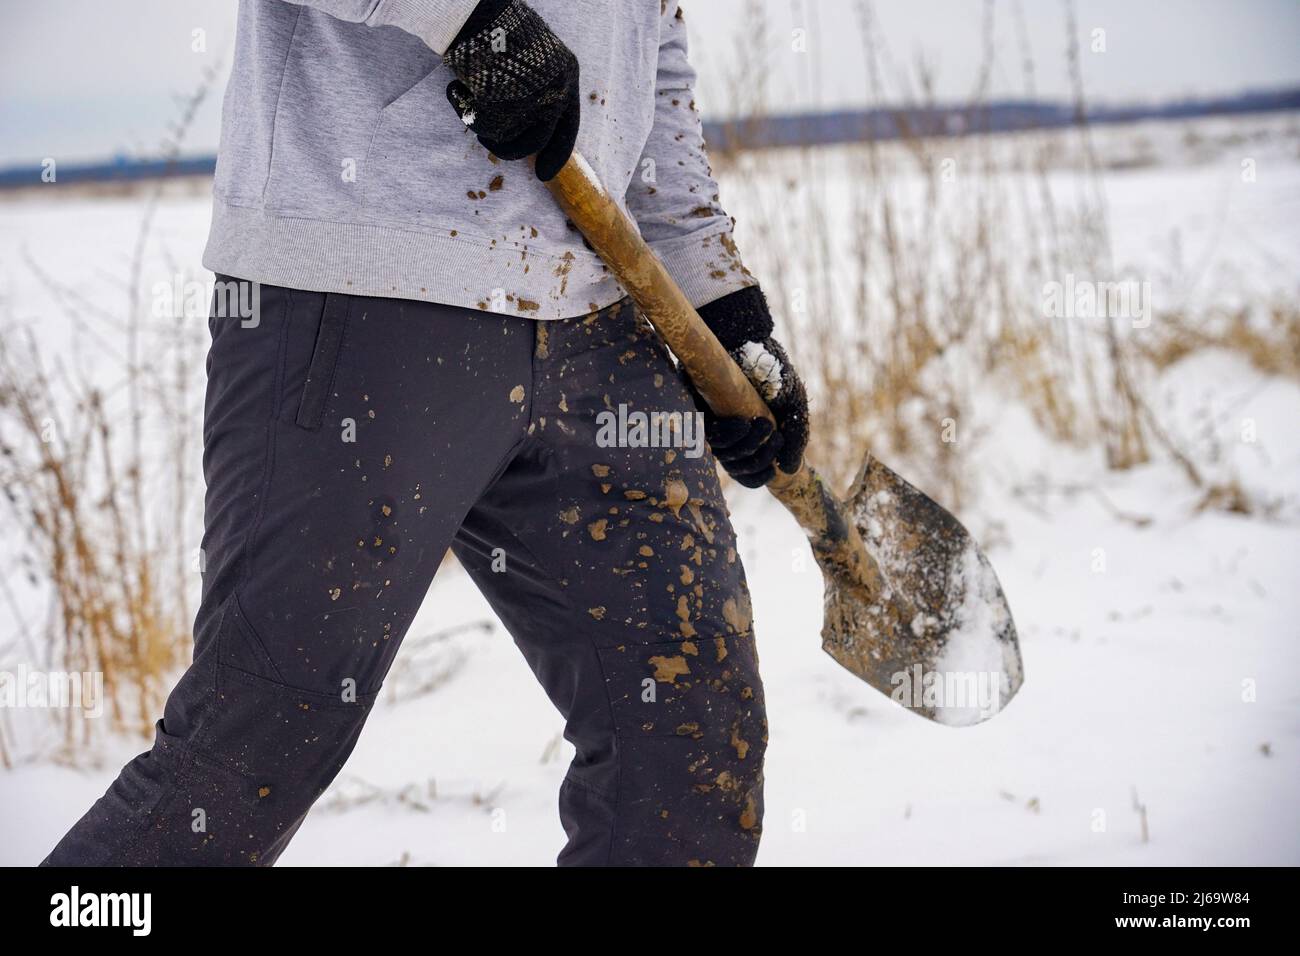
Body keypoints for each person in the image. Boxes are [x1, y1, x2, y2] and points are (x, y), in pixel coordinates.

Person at [43, 0, 808, 867]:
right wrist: (471, 18)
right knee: (256, 740)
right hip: (366, 278)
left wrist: (717, 296)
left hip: (601, 317)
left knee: (691, 732)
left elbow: (648, 39)